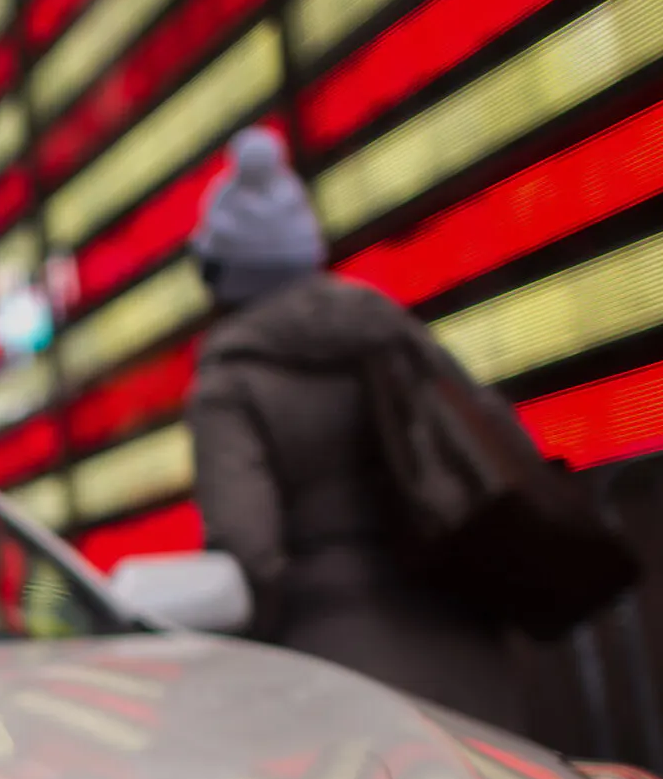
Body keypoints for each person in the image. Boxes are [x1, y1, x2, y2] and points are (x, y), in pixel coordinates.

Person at [185, 126, 525, 730]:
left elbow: (250, 553)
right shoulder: (391, 333)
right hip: (474, 653)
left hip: (338, 679)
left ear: (221, 276)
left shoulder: (228, 387)